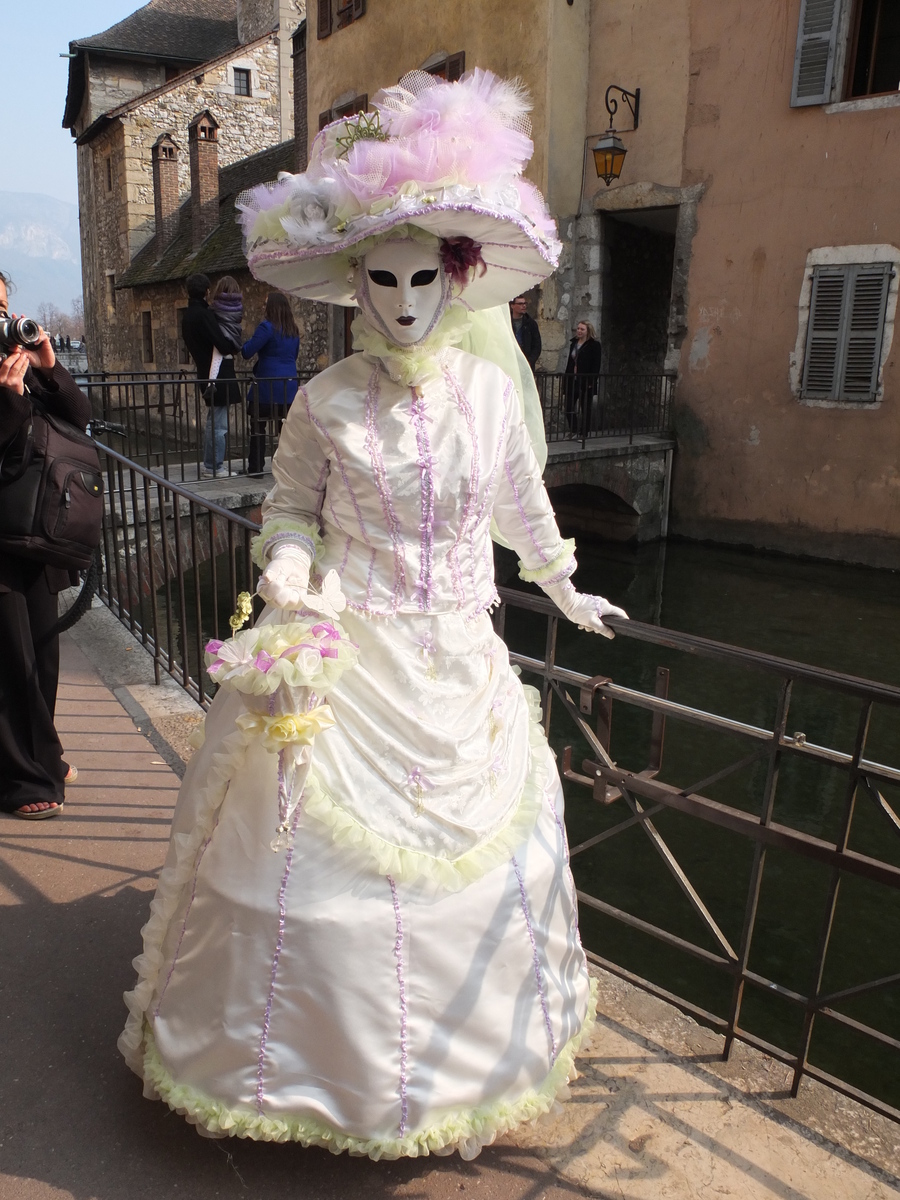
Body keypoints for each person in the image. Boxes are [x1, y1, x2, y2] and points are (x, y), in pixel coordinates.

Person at [120, 69, 628, 1159]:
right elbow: (289, 512)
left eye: (421, 282)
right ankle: (310, 1086)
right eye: (382, 283)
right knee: (307, 881)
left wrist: (563, 582)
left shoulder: (492, 397)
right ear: (356, 285)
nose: (402, 305)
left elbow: (521, 506)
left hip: (461, 669)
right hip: (351, 666)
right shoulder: (324, 400)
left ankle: (460, 1078)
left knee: (486, 869)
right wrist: (292, 579)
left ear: (458, 282)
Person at [0, 271, 90, 820]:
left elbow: (80, 420)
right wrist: (8, 402)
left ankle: (44, 754)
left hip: (35, 530)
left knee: (41, 653)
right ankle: (21, 777)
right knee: (11, 660)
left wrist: (48, 367)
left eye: (3, 304)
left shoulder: (17, 361)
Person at [181, 274, 241, 478]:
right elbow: (223, 345)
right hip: (217, 375)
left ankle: (210, 464)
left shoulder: (188, 315)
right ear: (207, 291)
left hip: (203, 372)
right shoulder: (204, 315)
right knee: (219, 425)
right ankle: (214, 467)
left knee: (212, 422)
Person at [241, 292, 300, 476]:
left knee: (258, 427)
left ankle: (256, 468)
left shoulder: (266, 327)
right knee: (287, 431)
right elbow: (294, 355)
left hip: (267, 386)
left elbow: (247, 351)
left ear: (272, 307)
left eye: (265, 304)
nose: (263, 307)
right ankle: (288, 470)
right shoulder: (293, 330)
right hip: (288, 386)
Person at [564, 320, 602, 436]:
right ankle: (574, 429)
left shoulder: (594, 345)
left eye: (582, 329)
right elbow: (570, 362)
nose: (579, 331)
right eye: (578, 329)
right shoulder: (574, 343)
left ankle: (584, 432)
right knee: (568, 406)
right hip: (573, 379)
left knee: (585, 407)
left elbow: (596, 364)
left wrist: (592, 381)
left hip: (585, 380)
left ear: (588, 331)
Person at [509, 294, 541, 371]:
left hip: (525, 363)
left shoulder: (531, 324)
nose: (523, 306)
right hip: (509, 361)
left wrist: (529, 361)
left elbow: (537, 346)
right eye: (520, 304)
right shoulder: (506, 322)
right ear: (512, 306)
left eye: (524, 303)